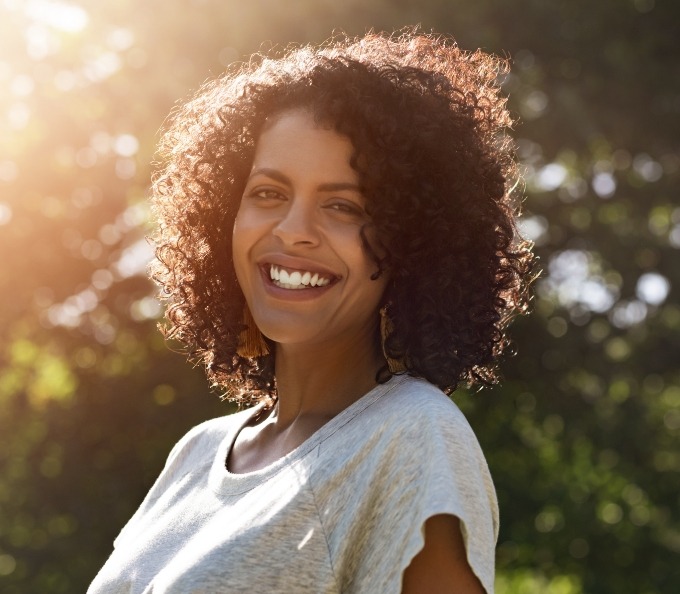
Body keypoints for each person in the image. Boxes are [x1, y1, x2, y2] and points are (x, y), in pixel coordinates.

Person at [88, 29, 533, 594]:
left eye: (342, 205)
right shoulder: (197, 452)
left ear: (410, 241)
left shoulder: (413, 437)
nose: (293, 231)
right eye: (268, 194)